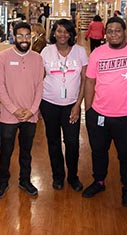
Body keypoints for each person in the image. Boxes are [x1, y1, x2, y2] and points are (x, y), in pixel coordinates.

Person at [83, 17, 127, 207]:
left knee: (126, 155)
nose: (113, 34)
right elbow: (90, 81)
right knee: (98, 152)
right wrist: (89, 110)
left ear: (126, 32)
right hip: (99, 115)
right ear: (105, 33)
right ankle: (99, 181)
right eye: (110, 31)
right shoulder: (97, 53)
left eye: (118, 30)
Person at [0, 22, 44, 199]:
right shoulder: (3, 57)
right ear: (14, 37)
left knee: (26, 151)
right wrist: (14, 110)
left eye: (27, 35)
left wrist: (32, 110)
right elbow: (0, 86)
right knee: (6, 151)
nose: (24, 39)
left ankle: (25, 180)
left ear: (32, 36)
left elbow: (39, 86)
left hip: (30, 115)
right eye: (20, 36)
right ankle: (2, 182)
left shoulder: (37, 58)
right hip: (9, 115)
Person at [39, 19, 87, 191]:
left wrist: (77, 106)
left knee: (72, 142)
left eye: (66, 31)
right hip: (49, 103)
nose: (62, 35)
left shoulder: (80, 51)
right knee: (53, 142)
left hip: (71, 105)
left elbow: (85, 80)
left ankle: (73, 176)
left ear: (71, 34)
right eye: (59, 31)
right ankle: (58, 176)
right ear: (53, 33)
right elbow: (39, 79)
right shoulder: (46, 51)